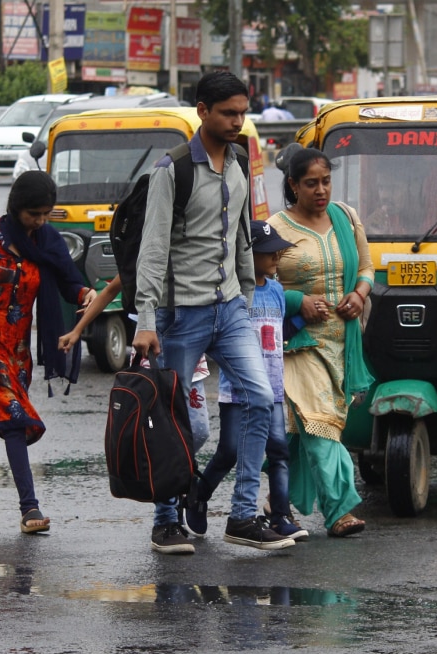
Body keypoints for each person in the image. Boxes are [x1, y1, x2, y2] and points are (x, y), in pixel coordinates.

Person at [132, 70, 292, 553]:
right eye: (228, 113)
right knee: (174, 417)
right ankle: (166, 521)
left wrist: (245, 293)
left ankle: (242, 515)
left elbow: (242, 236)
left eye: (243, 112)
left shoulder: (241, 158)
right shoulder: (171, 170)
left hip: (230, 308)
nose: (237, 121)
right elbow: (153, 248)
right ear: (202, 111)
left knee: (261, 398)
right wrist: (145, 318)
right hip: (180, 314)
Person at [0, 171, 98, 534]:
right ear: (16, 208)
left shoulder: (48, 240)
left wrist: (85, 295)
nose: (39, 221)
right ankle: (30, 508)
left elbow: (69, 280)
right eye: (33, 214)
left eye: (45, 214)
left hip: (18, 348)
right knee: (13, 419)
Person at [270, 146, 373, 538]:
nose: (320, 190)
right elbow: (257, 282)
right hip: (298, 340)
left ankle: (278, 500)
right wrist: (297, 300)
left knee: (300, 428)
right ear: (293, 185)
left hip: (343, 340)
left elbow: (366, 267)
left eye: (326, 181)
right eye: (311, 183)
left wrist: (360, 294)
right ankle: (340, 509)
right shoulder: (276, 228)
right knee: (318, 423)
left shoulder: (346, 218)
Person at [183, 221, 308, 542]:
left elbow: (280, 336)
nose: (276, 256)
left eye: (277, 250)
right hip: (237, 391)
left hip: (274, 391)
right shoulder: (233, 293)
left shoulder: (278, 291)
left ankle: (280, 516)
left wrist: (302, 317)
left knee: (279, 450)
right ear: (245, 254)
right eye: (267, 252)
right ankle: (199, 494)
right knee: (229, 451)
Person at [57, 276, 213, 455]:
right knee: (157, 430)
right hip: (153, 354)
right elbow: (109, 290)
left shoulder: (196, 258)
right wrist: (77, 330)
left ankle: (175, 471)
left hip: (191, 350)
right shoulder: (146, 257)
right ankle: (161, 475)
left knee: (199, 430)